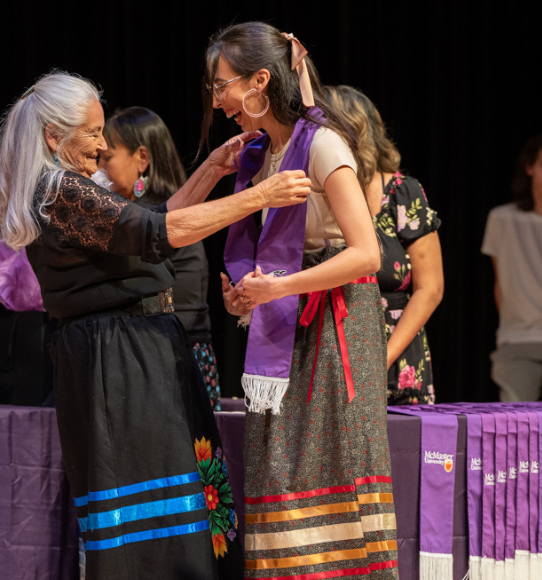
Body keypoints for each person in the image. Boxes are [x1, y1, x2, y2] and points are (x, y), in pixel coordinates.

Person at [0, 71, 311, 580]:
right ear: (53, 135)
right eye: (92, 133)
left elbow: (151, 225)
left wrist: (211, 168)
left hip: (132, 352)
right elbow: (156, 232)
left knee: (185, 507)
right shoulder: (59, 191)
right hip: (119, 362)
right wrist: (260, 196)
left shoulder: (65, 188)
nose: (101, 145)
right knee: (155, 525)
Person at [206, 23, 398, 579]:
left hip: (336, 324)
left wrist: (279, 287)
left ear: (260, 81)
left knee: (330, 464)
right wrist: (245, 292)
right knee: (278, 470)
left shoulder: (324, 142)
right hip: (287, 318)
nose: (218, 101)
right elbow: (269, 250)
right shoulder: (262, 153)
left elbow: (367, 255)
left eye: (222, 85)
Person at [96, 106, 221, 410]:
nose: (98, 169)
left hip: (175, 361)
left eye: (107, 158)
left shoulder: (155, 220)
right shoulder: (137, 215)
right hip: (150, 357)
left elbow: (185, 309)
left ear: (142, 158)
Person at [325, 85, 444, 405]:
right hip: (330, 354)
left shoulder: (402, 193)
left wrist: (379, 362)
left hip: (395, 354)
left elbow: (430, 289)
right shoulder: (316, 195)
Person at [482, 132, 542, 401]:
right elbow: (501, 284)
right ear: (530, 168)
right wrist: (509, 331)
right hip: (517, 340)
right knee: (516, 419)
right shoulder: (502, 219)